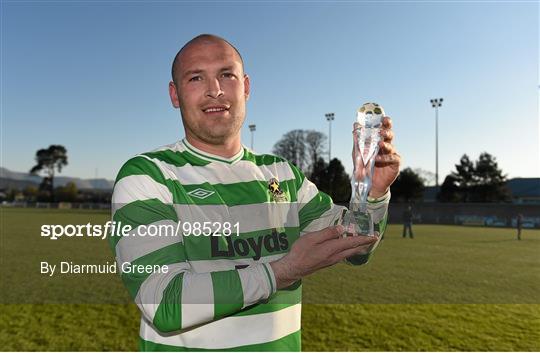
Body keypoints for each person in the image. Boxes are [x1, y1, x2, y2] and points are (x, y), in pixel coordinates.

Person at [110, 34, 400, 351]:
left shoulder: (284, 175)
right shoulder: (149, 175)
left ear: (245, 87)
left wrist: (368, 191)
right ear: (175, 94)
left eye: (226, 75)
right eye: (195, 78)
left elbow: (355, 247)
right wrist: (283, 271)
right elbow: (166, 303)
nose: (214, 90)